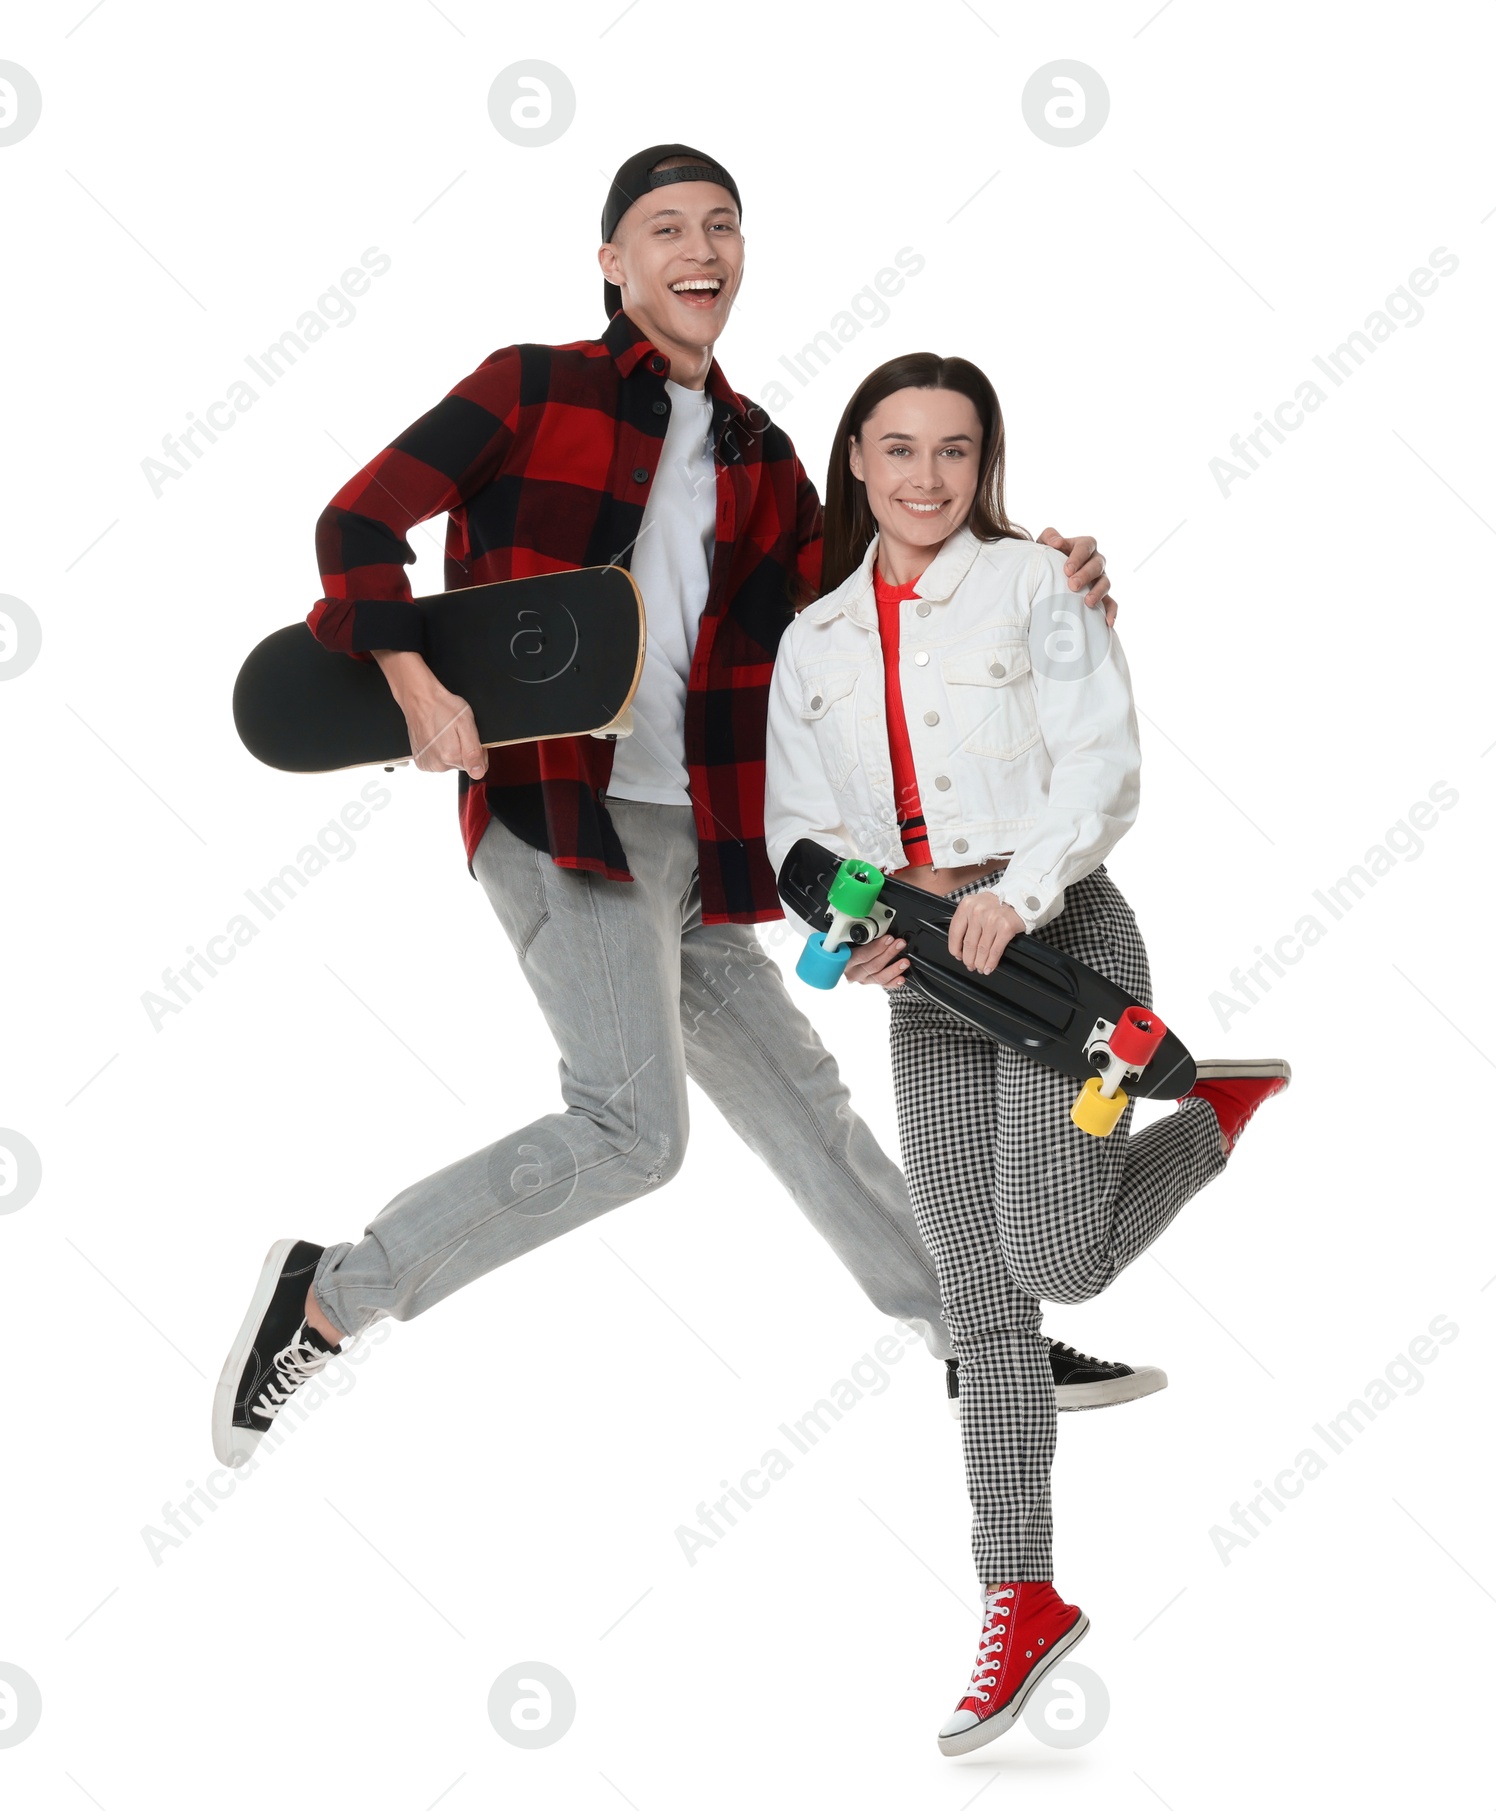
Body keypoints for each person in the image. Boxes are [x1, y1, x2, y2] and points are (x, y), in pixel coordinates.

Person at [212, 144, 1151, 1472]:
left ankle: (977, 1338)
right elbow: (358, 523)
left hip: (708, 843)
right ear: (613, 262)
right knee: (632, 1132)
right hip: (562, 815)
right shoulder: (531, 386)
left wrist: (1044, 570)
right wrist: (414, 683)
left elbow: (887, 580)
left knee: (806, 1104)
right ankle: (330, 1292)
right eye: (665, 229)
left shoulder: (764, 452)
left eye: (722, 227)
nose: (698, 250)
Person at [763, 352, 1290, 1756]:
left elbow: (1103, 764)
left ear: (983, 461)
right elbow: (794, 833)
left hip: (1068, 964)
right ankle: (1024, 1595)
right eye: (898, 449)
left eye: (954, 450)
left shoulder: (1038, 584)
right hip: (923, 980)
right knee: (980, 1305)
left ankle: (1206, 1115)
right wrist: (853, 922)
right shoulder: (810, 640)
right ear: (855, 462)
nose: (925, 477)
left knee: (1057, 1261)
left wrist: (1017, 891)